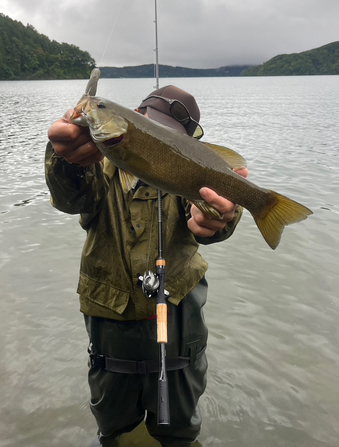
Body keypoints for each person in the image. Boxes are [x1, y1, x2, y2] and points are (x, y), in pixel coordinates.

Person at [45, 84, 248, 446]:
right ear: (135, 118)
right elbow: (70, 196)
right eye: (152, 129)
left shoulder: (187, 173)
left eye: (170, 140)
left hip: (181, 320)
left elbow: (212, 217)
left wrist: (223, 216)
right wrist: (64, 156)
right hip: (110, 325)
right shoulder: (97, 165)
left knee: (180, 431)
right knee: (112, 428)